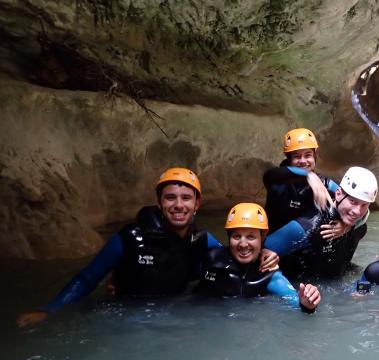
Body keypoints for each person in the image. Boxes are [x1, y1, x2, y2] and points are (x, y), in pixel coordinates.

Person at [17, 167, 278, 327]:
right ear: (159, 202)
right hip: (122, 314)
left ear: (197, 204)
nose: (179, 205)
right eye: (170, 198)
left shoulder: (200, 240)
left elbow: (234, 255)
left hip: (175, 312)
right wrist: (48, 311)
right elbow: (87, 279)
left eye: (186, 198)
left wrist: (267, 251)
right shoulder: (130, 237)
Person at [196, 203, 321, 313]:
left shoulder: (268, 273)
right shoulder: (212, 258)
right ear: (229, 237)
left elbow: (294, 301)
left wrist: (306, 303)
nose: (243, 244)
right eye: (236, 236)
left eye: (251, 237)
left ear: (262, 237)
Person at [264, 166, 378, 280]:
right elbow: (256, 251)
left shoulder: (360, 227)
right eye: (353, 201)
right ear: (338, 194)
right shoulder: (310, 227)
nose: (357, 212)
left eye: (364, 205)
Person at [263, 128, 338, 234]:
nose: (303, 161)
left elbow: (353, 202)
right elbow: (269, 175)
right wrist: (307, 175)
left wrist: (343, 226)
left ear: (315, 157)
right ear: (289, 159)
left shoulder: (323, 183)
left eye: (308, 155)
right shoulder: (279, 181)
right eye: (297, 156)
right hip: (275, 244)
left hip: (304, 242)